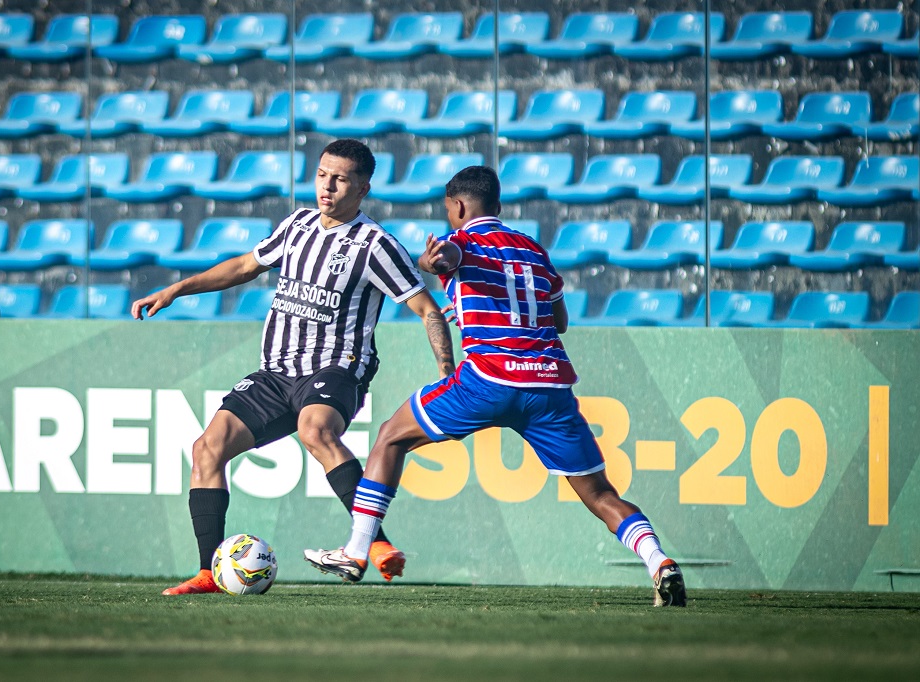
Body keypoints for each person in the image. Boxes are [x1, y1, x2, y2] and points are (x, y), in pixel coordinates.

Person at [304, 165, 686, 607]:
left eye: (449, 209)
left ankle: (355, 553)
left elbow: (443, 257)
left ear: (459, 206)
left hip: (488, 381)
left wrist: (433, 262)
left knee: (390, 439)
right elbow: (559, 321)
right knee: (601, 494)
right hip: (550, 386)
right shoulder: (535, 250)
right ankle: (659, 561)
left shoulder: (461, 243)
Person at [132, 139, 456, 595]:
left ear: (362, 187)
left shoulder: (376, 245)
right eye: (323, 174)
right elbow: (246, 265)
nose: (327, 186)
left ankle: (375, 545)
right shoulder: (297, 225)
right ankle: (208, 571)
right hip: (275, 372)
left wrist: (448, 371)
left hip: (337, 367)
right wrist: (177, 289)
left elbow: (427, 309)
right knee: (206, 449)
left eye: (340, 179)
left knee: (316, 429)